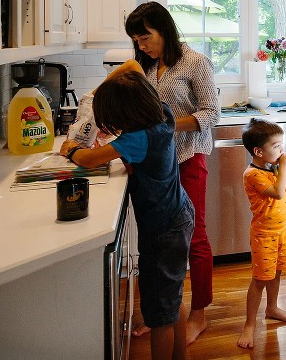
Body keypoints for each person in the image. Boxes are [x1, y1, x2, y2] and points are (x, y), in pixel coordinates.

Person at [60, 65, 194, 360]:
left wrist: (70, 148)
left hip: (162, 229)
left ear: (125, 114)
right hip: (178, 214)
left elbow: (90, 159)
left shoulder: (137, 138)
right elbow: (132, 68)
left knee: (159, 315)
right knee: (171, 300)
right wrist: (99, 93)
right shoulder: (162, 113)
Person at [125, 1, 220, 344]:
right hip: (156, 165)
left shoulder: (196, 62)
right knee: (158, 242)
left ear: (163, 29)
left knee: (194, 238)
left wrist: (165, 127)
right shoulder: (147, 67)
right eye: (136, 39)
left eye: (145, 36)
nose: (141, 44)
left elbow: (211, 113)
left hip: (188, 159)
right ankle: (165, 314)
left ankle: (199, 314)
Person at [238, 118, 286, 349]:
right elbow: (278, 194)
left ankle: (272, 307)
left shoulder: (272, 168)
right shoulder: (252, 174)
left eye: (281, 145)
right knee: (260, 279)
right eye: (276, 146)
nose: (281, 151)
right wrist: (282, 168)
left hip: (280, 232)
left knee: (277, 273)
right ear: (258, 151)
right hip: (264, 235)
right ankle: (249, 325)